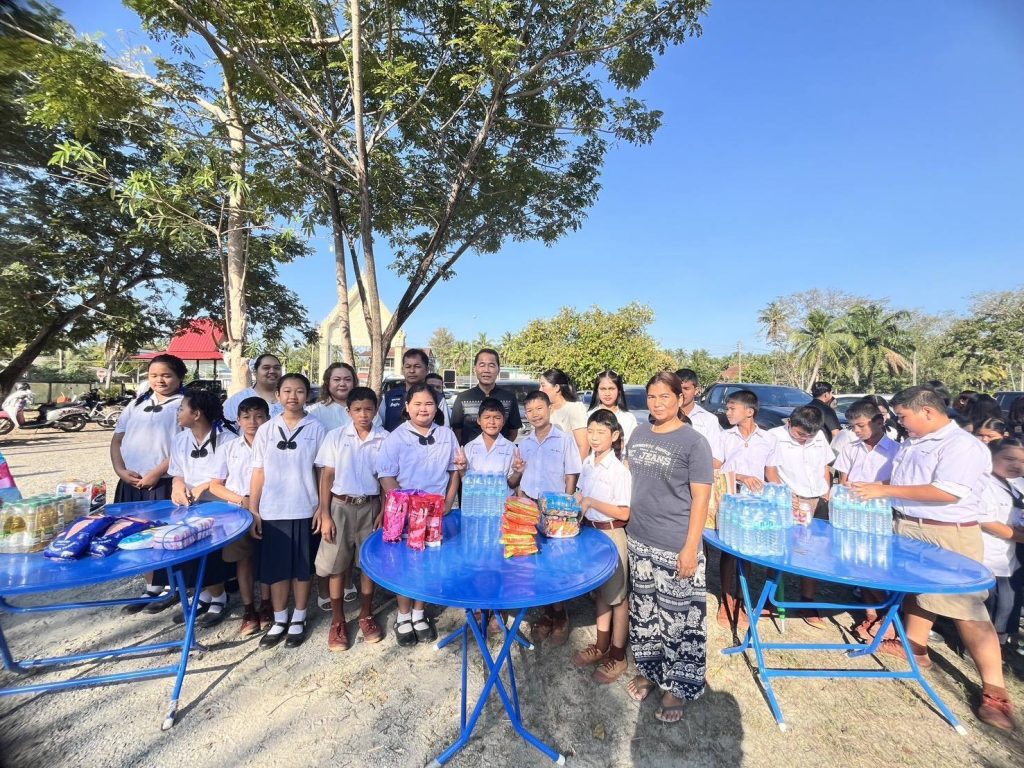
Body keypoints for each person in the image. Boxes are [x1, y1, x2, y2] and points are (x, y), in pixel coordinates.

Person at [852, 386, 1016, 731]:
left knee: (966, 609)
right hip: (910, 526)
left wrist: (884, 490)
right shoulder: (915, 441)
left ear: (927, 411)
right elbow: (907, 480)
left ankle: (995, 691)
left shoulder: (961, 446)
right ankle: (916, 648)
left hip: (947, 532)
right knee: (917, 591)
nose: (900, 422)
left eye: (903, 416)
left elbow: (947, 491)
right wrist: (878, 489)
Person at [624, 371, 713, 723]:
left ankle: (676, 687)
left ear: (680, 398)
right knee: (644, 613)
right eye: (652, 396)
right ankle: (650, 671)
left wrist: (690, 548)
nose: (657, 403)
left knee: (678, 621)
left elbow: (701, 499)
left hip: (675, 544)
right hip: (638, 538)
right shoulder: (638, 433)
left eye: (665, 396)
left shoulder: (694, 442)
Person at [376, 383, 460, 646]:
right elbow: (386, 475)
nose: (423, 409)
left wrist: (448, 502)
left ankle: (419, 612)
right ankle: (403, 616)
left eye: (429, 404)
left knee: (427, 563)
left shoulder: (447, 435)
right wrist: (405, 508)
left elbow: (454, 471)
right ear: (407, 407)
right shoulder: (396, 437)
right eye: (418, 404)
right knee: (405, 564)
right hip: (406, 515)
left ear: (436, 408)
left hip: (435, 514)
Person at [249, 373, 327, 649]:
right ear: (278, 395)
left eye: (300, 391)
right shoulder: (266, 430)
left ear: (308, 395)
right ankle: (280, 618)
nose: (293, 396)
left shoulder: (317, 428)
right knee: (277, 569)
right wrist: (254, 508)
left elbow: (322, 471)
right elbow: (258, 471)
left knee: (302, 569)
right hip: (273, 510)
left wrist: (322, 507)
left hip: (305, 508)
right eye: (287, 391)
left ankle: (299, 617)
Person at [314, 386, 388, 651]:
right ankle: (338, 620)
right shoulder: (335, 436)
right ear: (348, 411)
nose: (363, 414)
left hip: (371, 507)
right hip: (340, 507)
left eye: (368, 409)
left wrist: (383, 511)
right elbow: (327, 476)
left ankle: (366, 614)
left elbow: (386, 478)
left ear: (376, 411)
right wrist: (325, 513)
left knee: (368, 564)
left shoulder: (385, 439)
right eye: (357, 409)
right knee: (337, 564)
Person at [112, 354, 186, 614]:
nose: (159, 380)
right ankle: (151, 586)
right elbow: (117, 440)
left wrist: (156, 473)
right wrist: (120, 470)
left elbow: (184, 446)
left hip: (164, 482)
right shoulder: (136, 403)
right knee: (139, 536)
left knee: (166, 535)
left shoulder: (184, 405)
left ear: (179, 377)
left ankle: (172, 587)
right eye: (154, 375)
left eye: (166, 375)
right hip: (131, 482)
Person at [571, 409, 632, 684]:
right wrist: (572, 501)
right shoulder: (588, 462)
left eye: (601, 432)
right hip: (591, 532)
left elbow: (624, 513)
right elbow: (580, 493)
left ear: (615, 435)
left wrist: (591, 502)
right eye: (591, 431)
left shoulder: (619, 471)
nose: (594, 437)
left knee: (617, 597)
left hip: (611, 534)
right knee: (601, 593)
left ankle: (618, 656)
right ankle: (601, 645)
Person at [167, 388, 237, 627]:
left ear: (196, 414)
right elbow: (177, 473)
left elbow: (232, 475)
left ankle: (219, 598)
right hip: (189, 506)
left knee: (211, 555)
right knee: (191, 553)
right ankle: (204, 595)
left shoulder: (227, 439)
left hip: (217, 506)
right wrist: (178, 487)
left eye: (182, 409)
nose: (178, 413)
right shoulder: (180, 439)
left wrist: (205, 485)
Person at [518, 390, 583, 645]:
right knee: (536, 561)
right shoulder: (525, 443)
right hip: (531, 507)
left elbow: (572, 473)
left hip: (556, 510)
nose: (535, 414)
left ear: (549, 409)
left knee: (557, 563)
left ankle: (560, 614)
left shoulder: (564, 439)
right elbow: (521, 476)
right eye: (530, 410)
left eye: (539, 408)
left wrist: (565, 507)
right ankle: (546, 612)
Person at [833, 399, 899, 642]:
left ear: (879, 421)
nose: (857, 431)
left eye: (861, 425)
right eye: (853, 427)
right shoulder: (851, 448)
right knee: (857, 562)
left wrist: (874, 487)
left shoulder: (897, 451)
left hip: (881, 515)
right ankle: (870, 614)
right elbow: (843, 480)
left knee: (877, 565)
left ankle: (887, 615)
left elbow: (899, 482)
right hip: (852, 514)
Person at [209, 396, 272, 636]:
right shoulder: (228, 448)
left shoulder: (274, 446)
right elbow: (215, 485)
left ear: (268, 419)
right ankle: (248, 610)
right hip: (238, 512)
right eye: (246, 417)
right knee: (243, 560)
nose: (253, 422)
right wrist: (241, 500)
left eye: (259, 417)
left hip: (269, 509)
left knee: (266, 558)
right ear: (238, 420)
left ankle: (266, 605)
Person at [765, 405, 834, 627]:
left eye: (809, 436)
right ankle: (771, 597)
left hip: (817, 500)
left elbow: (824, 467)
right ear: (789, 423)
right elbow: (770, 471)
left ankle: (807, 601)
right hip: (790, 500)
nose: (805, 439)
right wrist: (784, 494)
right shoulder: (774, 437)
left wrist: (826, 491)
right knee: (780, 549)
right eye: (800, 434)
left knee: (812, 553)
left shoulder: (819, 436)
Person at [716, 389, 776, 629]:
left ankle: (741, 599)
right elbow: (716, 469)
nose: (727, 412)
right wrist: (742, 476)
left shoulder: (768, 439)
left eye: (732, 408)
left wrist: (784, 496)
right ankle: (725, 599)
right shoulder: (724, 437)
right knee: (728, 552)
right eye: (727, 408)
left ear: (749, 412)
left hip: (755, 504)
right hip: (731, 500)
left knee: (747, 551)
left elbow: (771, 473)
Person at [977, 438, 1024, 646]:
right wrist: (1018, 536)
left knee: (1006, 604)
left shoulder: (1015, 484)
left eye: (1022, 461)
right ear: (990, 457)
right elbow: (985, 520)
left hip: (1008, 557)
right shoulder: (984, 484)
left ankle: (999, 643)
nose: (1016, 465)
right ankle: (979, 646)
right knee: (989, 604)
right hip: (988, 555)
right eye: (1009, 458)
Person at [449, 348, 523, 444]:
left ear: (498, 370)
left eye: (491, 365)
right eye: (482, 365)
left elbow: (513, 431)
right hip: (469, 453)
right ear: (475, 369)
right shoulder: (462, 398)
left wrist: (500, 449)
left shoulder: (509, 398)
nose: (486, 370)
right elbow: (457, 432)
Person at [455, 397, 522, 490]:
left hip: (502, 498)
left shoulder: (511, 448)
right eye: (487, 417)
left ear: (503, 421)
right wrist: (462, 470)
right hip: (476, 497)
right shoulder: (469, 447)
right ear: (479, 420)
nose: (492, 422)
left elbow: (512, 484)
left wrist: (517, 472)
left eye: (497, 418)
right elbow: (466, 481)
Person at [379, 349, 436, 431]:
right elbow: (379, 427)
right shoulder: (389, 396)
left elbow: (444, 429)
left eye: (417, 366)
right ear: (403, 369)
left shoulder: (437, 398)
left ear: (427, 370)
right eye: (408, 367)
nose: (412, 371)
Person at [539, 368, 588, 460]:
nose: (540, 390)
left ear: (556, 387)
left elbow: (583, 446)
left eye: (543, 385)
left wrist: (577, 468)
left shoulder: (575, 408)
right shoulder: (544, 410)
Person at [675, 368, 723, 462]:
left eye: (686, 388)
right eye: (678, 389)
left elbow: (717, 458)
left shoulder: (709, 420)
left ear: (696, 390)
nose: (682, 393)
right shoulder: (665, 417)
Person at [223, 353, 284, 425]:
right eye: (266, 368)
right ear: (255, 371)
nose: (272, 371)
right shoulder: (237, 400)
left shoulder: (291, 398)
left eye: (277, 368)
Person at [587, 369, 639, 444]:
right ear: (597, 391)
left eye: (611, 389)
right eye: (603, 389)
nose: (607, 393)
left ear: (619, 391)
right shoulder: (588, 416)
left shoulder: (628, 418)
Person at [307, 362, 357, 432]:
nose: (342, 384)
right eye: (337, 379)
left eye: (347, 379)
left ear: (354, 382)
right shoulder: (313, 412)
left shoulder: (367, 409)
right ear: (327, 382)